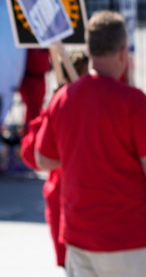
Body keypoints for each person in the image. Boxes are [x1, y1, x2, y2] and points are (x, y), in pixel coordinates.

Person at [35, 11, 146, 276]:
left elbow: (44, 159)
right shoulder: (132, 101)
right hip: (131, 239)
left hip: (79, 238)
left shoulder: (63, 98)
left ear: (88, 49)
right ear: (123, 51)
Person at [19, 50, 89, 267]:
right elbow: (31, 154)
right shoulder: (58, 108)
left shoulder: (98, 105)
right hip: (65, 199)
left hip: (89, 201)